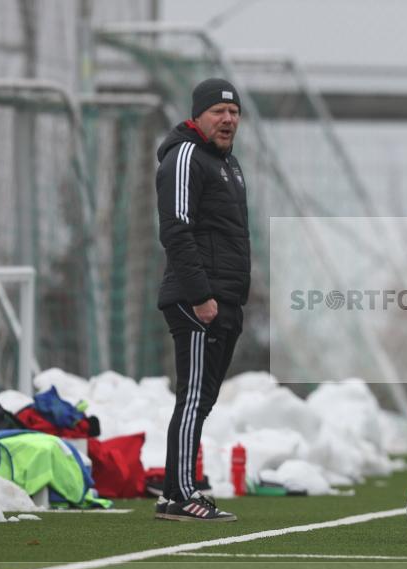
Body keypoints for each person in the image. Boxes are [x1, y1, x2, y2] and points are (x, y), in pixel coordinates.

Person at [154, 78, 250, 521]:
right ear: (198, 115)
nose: (228, 119)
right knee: (193, 397)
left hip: (225, 300)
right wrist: (200, 296)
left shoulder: (228, 164)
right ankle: (179, 494)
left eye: (234, 112)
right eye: (218, 112)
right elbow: (176, 230)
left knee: (203, 399)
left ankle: (176, 490)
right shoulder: (185, 156)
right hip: (197, 301)